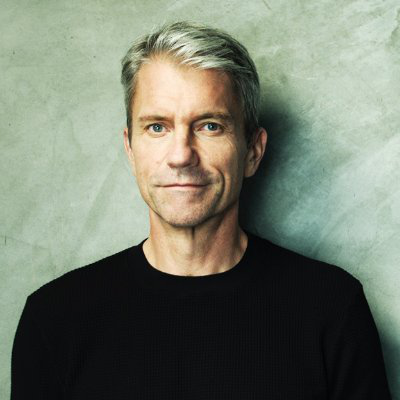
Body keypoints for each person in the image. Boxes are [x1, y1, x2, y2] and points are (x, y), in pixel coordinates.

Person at [10, 21, 392, 399]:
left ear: (253, 152)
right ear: (130, 149)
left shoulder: (331, 308)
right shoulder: (55, 319)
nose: (181, 155)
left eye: (209, 126)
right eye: (157, 127)